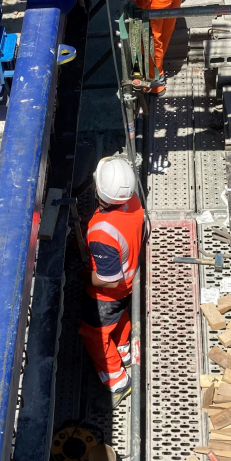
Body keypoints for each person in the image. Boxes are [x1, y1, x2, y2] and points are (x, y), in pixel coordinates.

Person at [79, 156, 144, 408]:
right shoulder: (134, 202)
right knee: (119, 318)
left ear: (99, 190)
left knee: (94, 335)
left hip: (108, 294)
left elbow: (107, 280)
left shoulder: (102, 232)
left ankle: (116, 381)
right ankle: (124, 350)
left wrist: (86, 276)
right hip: (127, 284)